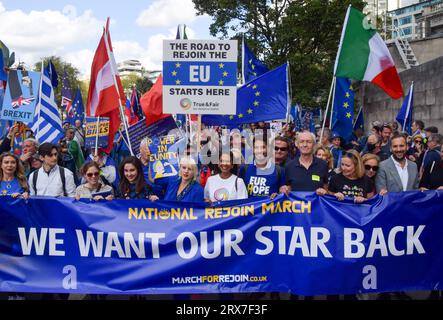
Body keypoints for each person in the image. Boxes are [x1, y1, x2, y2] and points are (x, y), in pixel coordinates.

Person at [282, 131, 328, 196]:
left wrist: (324, 191)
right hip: (297, 205)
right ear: (297, 144)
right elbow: (287, 189)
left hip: (316, 206)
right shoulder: (289, 166)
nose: (305, 145)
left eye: (309, 142)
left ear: (314, 145)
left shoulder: (323, 165)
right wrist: (283, 189)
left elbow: (326, 188)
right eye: (301, 142)